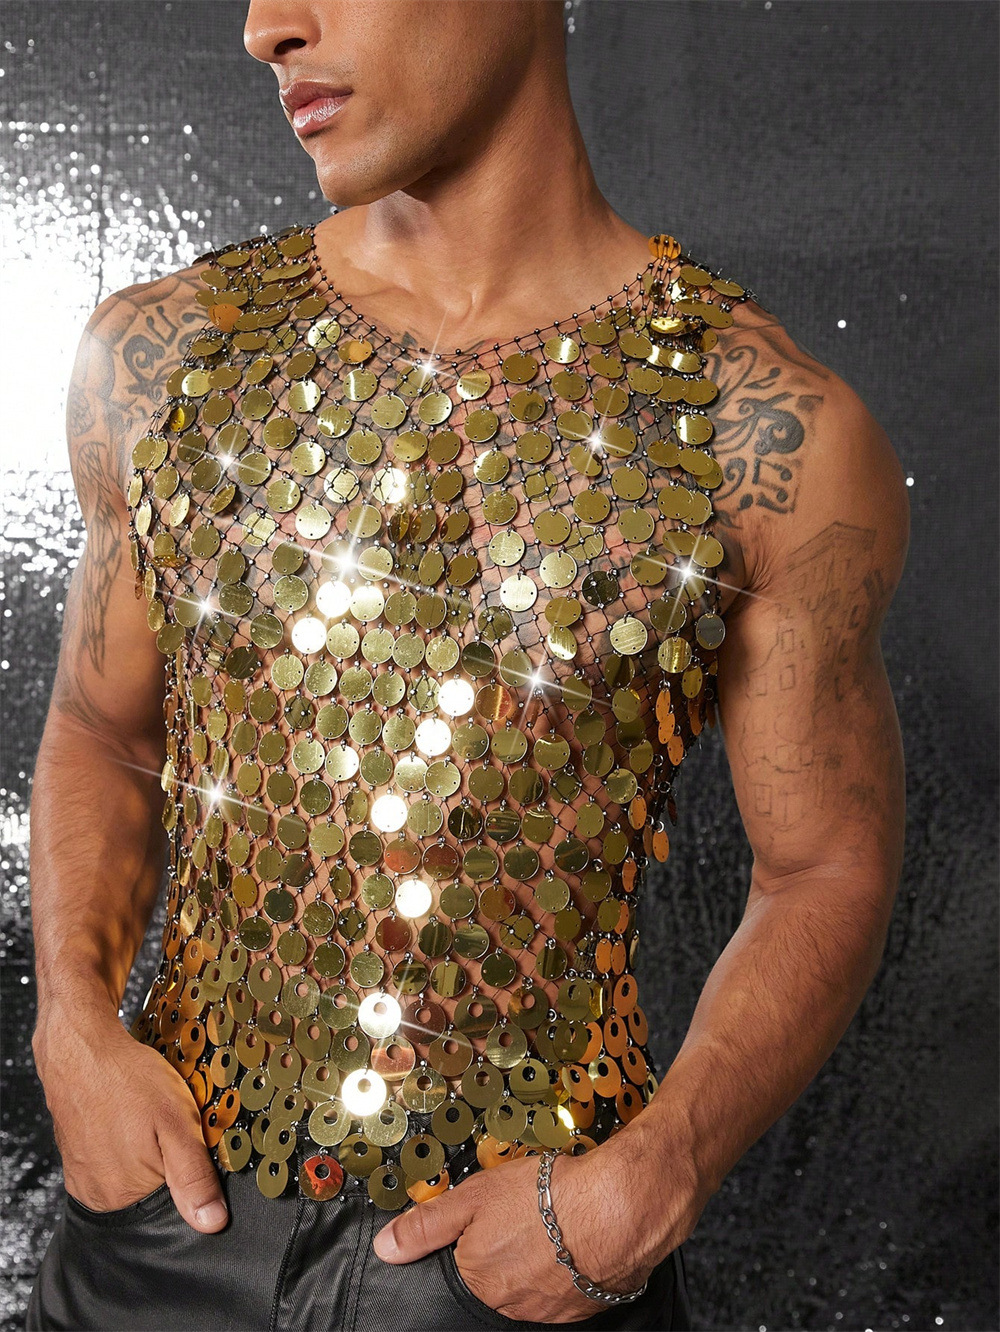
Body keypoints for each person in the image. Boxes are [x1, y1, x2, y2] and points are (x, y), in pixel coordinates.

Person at [24, 1, 909, 1329]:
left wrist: (652, 1180)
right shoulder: (161, 355)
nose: (266, 27)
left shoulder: (761, 429)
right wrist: (72, 1024)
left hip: (524, 1262)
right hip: (159, 1223)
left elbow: (825, 864)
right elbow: (106, 730)